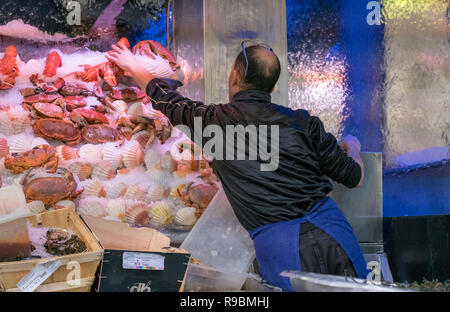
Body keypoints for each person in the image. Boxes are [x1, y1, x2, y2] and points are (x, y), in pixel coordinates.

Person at [106, 40, 369, 291]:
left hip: (280, 245)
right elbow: (355, 177)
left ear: (234, 76)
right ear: (271, 88)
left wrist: (131, 63)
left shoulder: (215, 124)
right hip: (334, 232)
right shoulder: (302, 122)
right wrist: (352, 145)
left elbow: (166, 99)